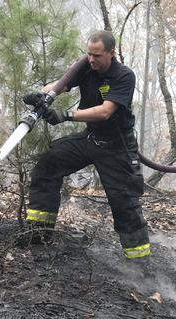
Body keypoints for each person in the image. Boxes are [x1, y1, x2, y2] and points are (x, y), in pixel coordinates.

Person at [21, 30, 150, 263]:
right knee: (48, 165)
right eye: (89, 54)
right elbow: (60, 84)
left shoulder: (124, 76)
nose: (91, 59)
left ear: (111, 53)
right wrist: (39, 95)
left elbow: (105, 111)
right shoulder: (85, 67)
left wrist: (66, 115)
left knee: (124, 204)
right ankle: (39, 233)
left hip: (117, 148)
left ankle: (139, 261)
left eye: (97, 55)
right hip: (90, 139)